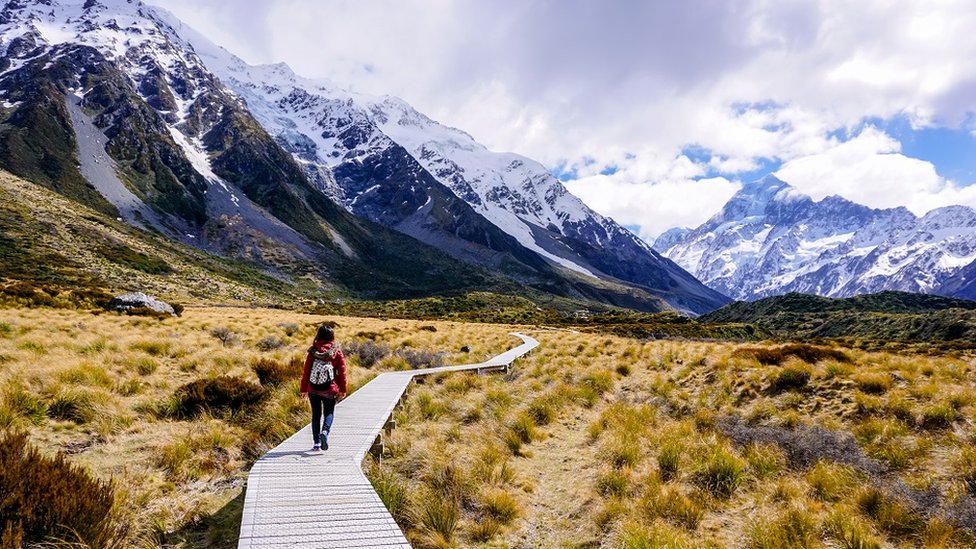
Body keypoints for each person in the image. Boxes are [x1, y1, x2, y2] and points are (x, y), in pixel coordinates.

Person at [300, 324, 347, 452]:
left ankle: (316, 444)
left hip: (313, 389)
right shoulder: (336, 351)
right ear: (332, 336)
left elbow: (307, 371)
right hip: (330, 389)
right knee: (329, 413)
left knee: (316, 415)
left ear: (318, 335)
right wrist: (343, 389)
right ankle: (325, 432)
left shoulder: (313, 351)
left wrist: (304, 389)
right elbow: (342, 372)